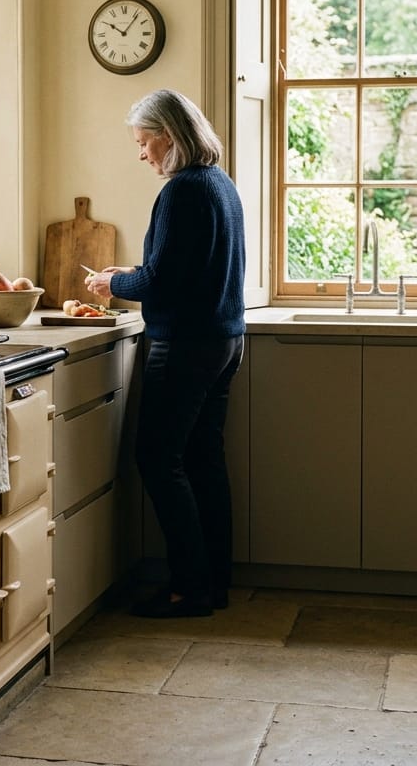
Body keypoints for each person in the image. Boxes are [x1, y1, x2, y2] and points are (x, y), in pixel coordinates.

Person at [86, 89, 246, 618]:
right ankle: (212, 582)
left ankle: (187, 588)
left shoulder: (182, 191)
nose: (141, 154)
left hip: (185, 345)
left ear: (169, 136)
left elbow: (160, 280)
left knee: (157, 460)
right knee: (204, 461)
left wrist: (115, 282)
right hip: (225, 340)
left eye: (143, 141)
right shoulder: (221, 185)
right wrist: (130, 277)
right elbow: (186, 269)